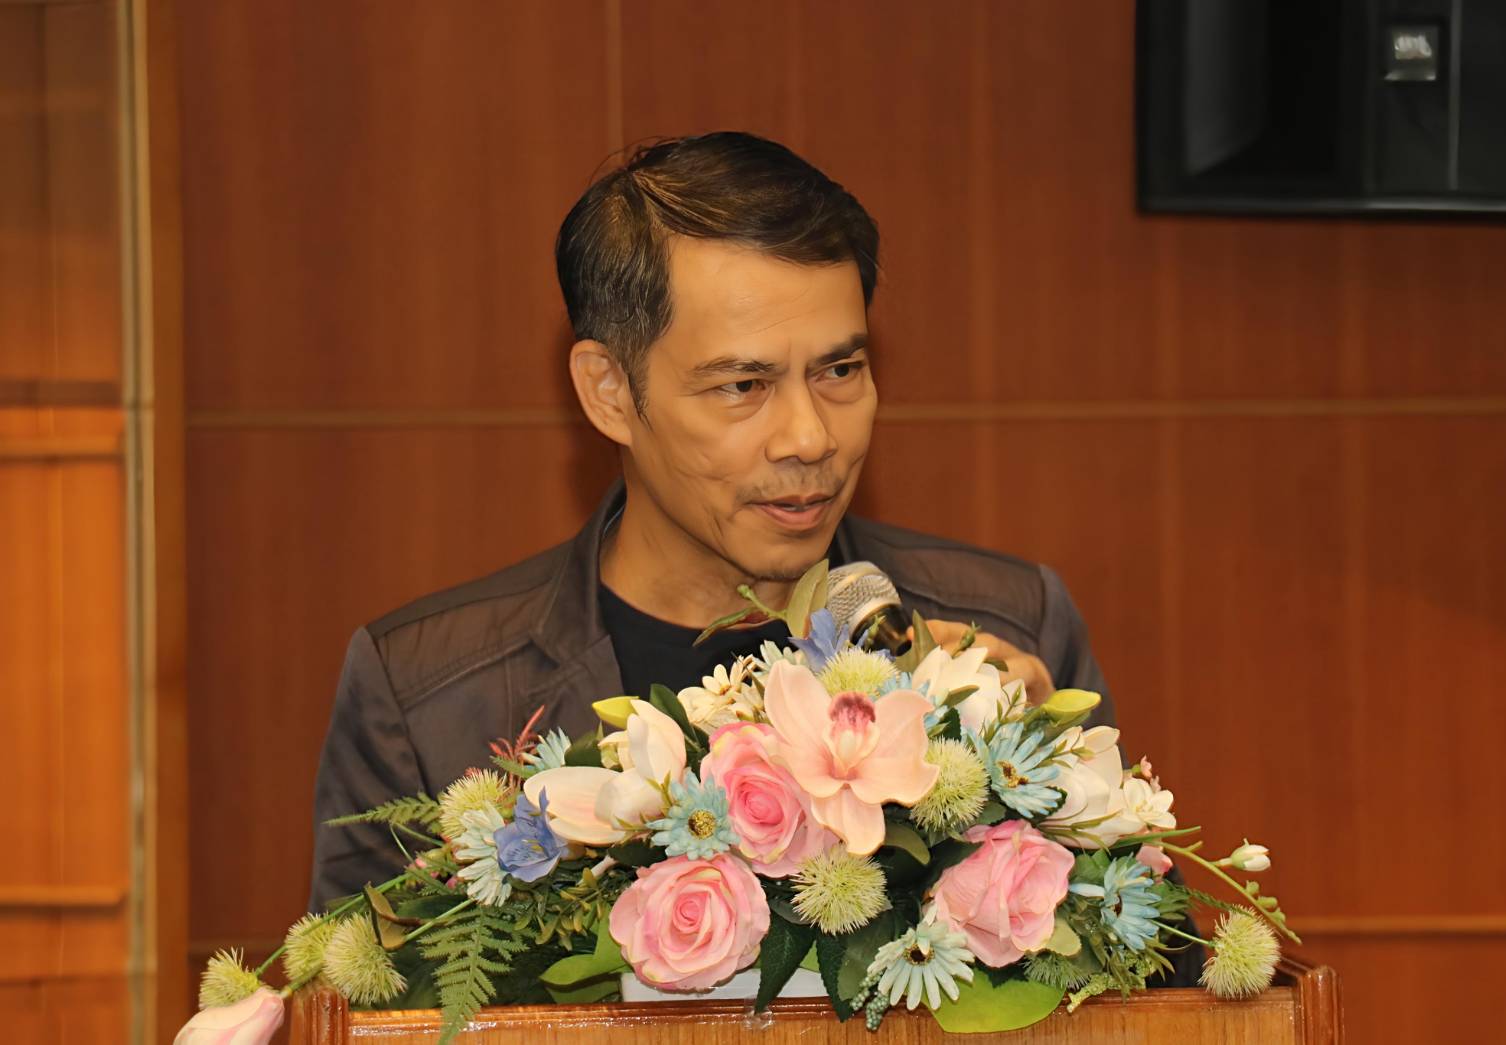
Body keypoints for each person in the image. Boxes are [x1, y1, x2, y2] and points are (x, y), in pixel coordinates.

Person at [307, 133, 1195, 987]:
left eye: (839, 371)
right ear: (609, 391)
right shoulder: (428, 698)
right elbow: (359, 1002)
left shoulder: (1007, 628)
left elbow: (1164, 979)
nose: (810, 437)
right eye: (743, 385)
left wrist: (1051, 787)